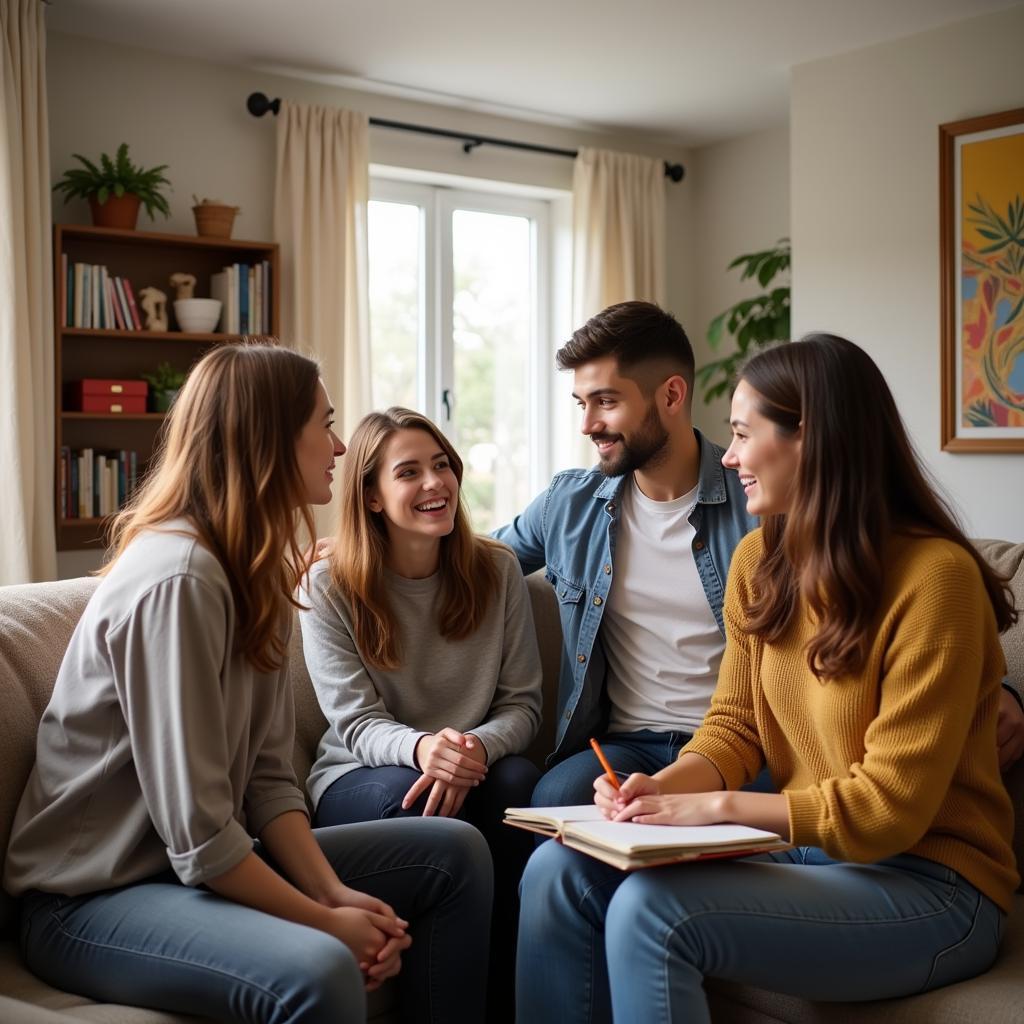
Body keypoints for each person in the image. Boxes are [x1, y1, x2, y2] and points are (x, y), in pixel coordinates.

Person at [516, 334, 1020, 1023]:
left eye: (743, 435)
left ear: (810, 439)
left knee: (653, 909)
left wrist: (713, 808)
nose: (728, 458)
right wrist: (658, 792)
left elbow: (885, 811)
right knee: (560, 869)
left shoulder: (936, 581)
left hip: (934, 885)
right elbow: (735, 727)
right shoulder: (761, 558)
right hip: (812, 858)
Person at [3, 344, 492, 1024]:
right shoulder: (179, 580)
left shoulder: (251, 571)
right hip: (86, 899)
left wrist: (331, 893)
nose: (342, 445)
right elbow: (202, 837)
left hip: (183, 871)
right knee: (319, 971)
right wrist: (325, 923)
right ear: (268, 440)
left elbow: (267, 777)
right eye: (323, 424)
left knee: (456, 853)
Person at [494, 301, 1024, 808]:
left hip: (757, 745)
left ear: (671, 395)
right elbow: (480, 565)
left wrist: (991, 692)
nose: (588, 424)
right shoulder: (570, 504)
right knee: (557, 798)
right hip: (626, 744)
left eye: (605, 401)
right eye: (581, 403)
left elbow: (884, 581)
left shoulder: (767, 498)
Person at [298, 406, 543, 1021]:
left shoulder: (497, 570)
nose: (434, 484)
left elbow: (523, 704)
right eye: (408, 472)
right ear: (373, 496)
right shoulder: (329, 584)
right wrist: (422, 749)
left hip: (470, 762)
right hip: (362, 773)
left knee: (518, 786)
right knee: (412, 801)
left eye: (442, 466)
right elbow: (352, 721)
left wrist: (474, 749)